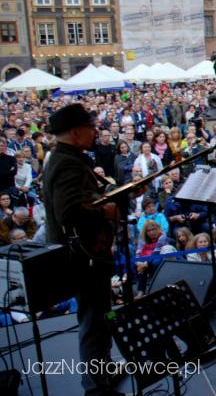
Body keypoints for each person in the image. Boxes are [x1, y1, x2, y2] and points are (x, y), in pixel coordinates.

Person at [40, 103, 123, 396]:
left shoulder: (66, 157)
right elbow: (68, 211)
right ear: (76, 132)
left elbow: (82, 198)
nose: (95, 132)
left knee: (98, 315)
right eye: (91, 127)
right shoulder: (67, 163)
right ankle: (96, 385)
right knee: (94, 319)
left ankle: (103, 369)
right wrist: (106, 211)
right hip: (84, 257)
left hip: (87, 252)